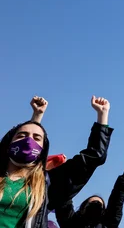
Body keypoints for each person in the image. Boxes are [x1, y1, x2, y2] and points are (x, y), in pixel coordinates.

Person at [0, 96, 112, 228]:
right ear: (9, 144)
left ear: (42, 150)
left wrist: (102, 116)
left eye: (37, 138)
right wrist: (36, 117)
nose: (28, 142)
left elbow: (94, 156)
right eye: (21, 136)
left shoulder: (47, 185)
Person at [55, 154, 124, 228]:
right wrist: (63, 171)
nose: (95, 206)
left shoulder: (108, 225)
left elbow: (116, 201)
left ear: (104, 212)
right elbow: (64, 199)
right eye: (92, 204)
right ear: (83, 208)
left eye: (99, 205)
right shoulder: (72, 223)